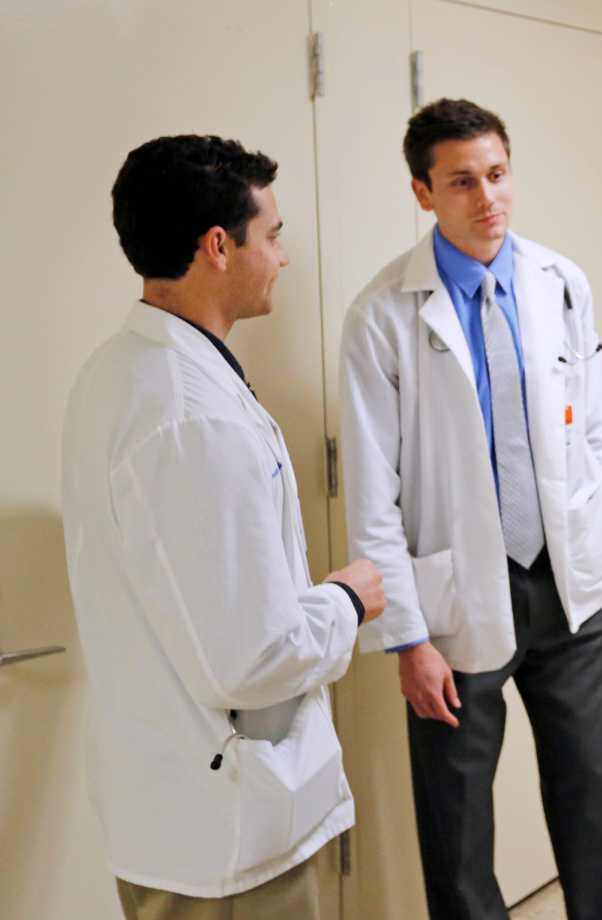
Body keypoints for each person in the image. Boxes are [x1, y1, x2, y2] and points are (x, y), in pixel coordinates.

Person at [62, 134, 386, 918]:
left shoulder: (120, 372)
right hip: (229, 839)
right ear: (218, 246)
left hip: (180, 810)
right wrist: (348, 600)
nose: (282, 256)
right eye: (271, 235)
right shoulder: (190, 417)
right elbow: (251, 658)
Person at [340, 98, 602, 919]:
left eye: (498, 175)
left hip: (572, 591)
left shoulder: (559, 282)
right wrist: (406, 638)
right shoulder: (382, 316)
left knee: (597, 804)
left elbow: (598, 422)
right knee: (458, 823)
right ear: (422, 191)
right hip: (454, 603)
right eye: (462, 181)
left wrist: (593, 530)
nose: (487, 198)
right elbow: (372, 496)